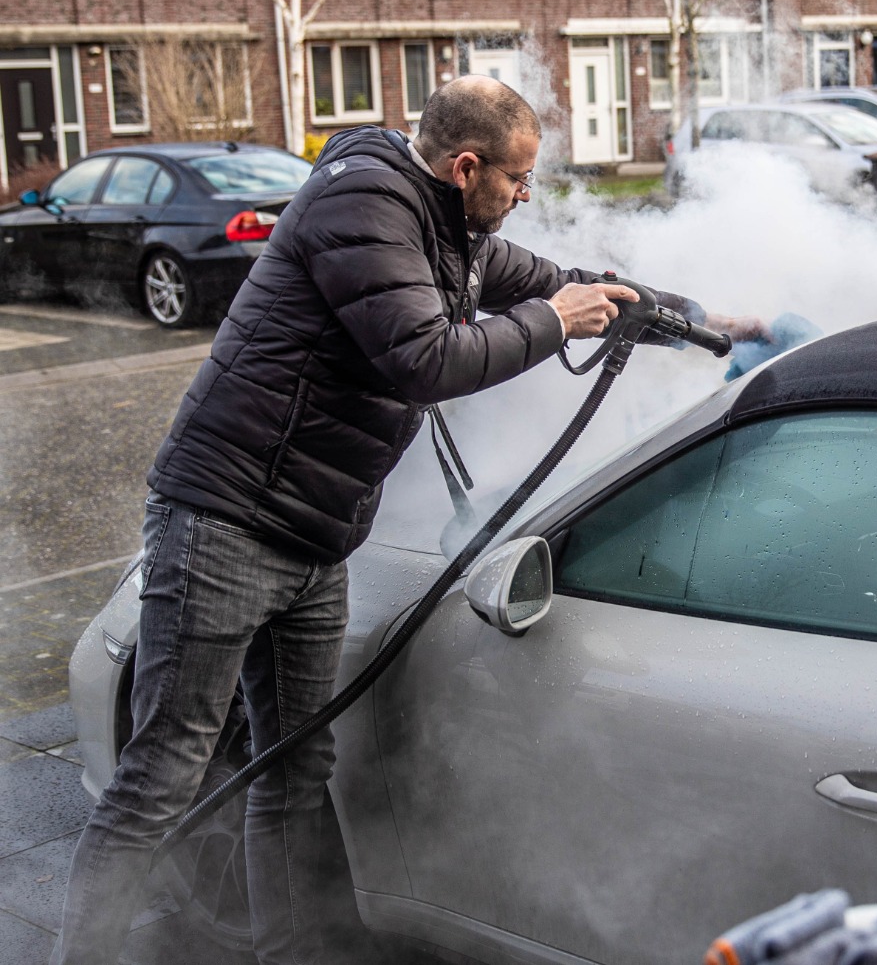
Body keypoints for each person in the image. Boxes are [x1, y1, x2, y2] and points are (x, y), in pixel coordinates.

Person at [51, 75, 756, 965]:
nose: (526, 195)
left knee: (295, 767)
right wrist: (552, 322)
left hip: (316, 537)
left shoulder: (455, 231)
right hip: (225, 522)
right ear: (466, 168)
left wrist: (692, 319)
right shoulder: (364, 206)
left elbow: (564, 283)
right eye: (517, 178)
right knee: (159, 779)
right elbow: (427, 358)